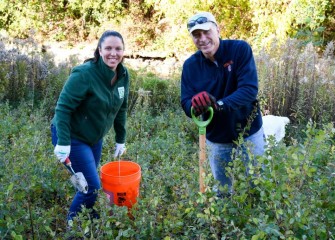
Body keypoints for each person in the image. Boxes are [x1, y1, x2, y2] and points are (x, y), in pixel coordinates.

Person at [180, 12, 265, 196]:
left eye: (206, 32)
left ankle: (258, 216)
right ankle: (222, 224)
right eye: (196, 35)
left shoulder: (239, 50)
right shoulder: (190, 66)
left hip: (249, 131)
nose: (202, 39)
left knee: (257, 183)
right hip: (217, 137)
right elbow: (185, 102)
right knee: (223, 189)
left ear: (217, 29)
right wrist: (195, 106)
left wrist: (218, 104)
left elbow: (249, 89)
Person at [51, 30, 129, 223]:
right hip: (72, 136)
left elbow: (121, 109)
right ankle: (73, 227)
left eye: (118, 49)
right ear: (100, 50)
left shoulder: (123, 75)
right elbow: (62, 108)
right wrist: (63, 142)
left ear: (123, 51)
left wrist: (121, 139)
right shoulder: (84, 74)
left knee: (88, 183)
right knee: (91, 186)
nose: (113, 53)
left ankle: (91, 220)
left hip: (94, 138)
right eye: (108, 48)